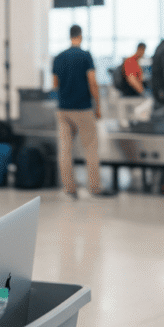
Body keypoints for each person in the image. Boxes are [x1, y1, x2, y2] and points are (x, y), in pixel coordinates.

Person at [52, 25, 111, 199]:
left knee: (65, 149)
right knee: (91, 148)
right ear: (81, 36)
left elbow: (55, 84)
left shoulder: (58, 57)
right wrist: (98, 106)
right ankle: (94, 187)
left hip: (63, 109)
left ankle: (69, 188)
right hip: (82, 108)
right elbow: (92, 82)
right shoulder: (85, 56)